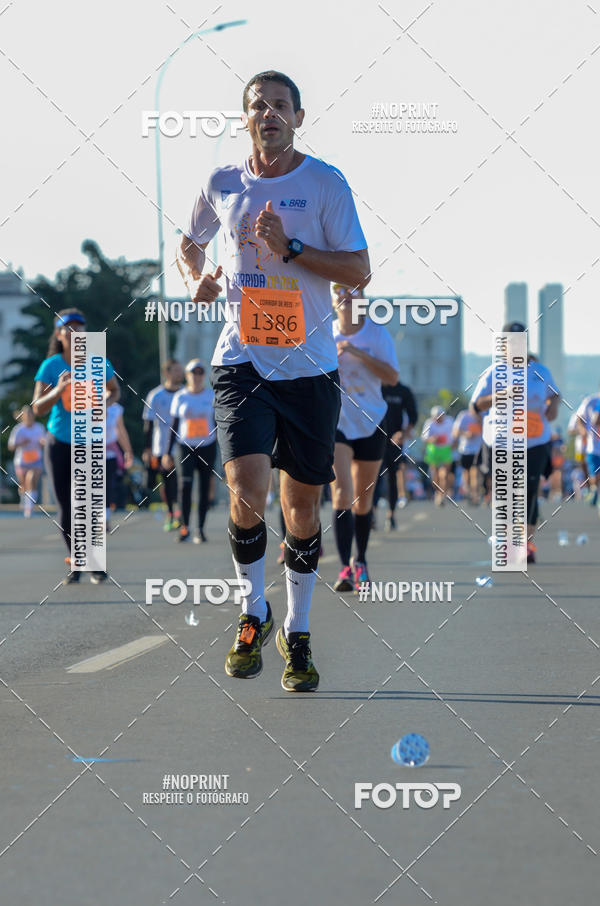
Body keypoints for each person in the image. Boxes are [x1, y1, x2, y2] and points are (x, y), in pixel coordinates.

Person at [177, 70, 369, 691]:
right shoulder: (222, 183)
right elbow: (189, 246)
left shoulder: (325, 183)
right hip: (242, 362)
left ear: (300, 116)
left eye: (281, 106)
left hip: (310, 367)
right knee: (244, 488)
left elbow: (358, 270)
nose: (270, 115)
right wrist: (195, 282)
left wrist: (289, 250)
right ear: (245, 120)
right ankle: (252, 612)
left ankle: (299, 630)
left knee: (303, 508)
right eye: (259, 107)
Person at [32, 309, 119, 583]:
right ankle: (76, 560)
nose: (75, 332)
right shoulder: (51, 366)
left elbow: (114, 390)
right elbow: (37, 408)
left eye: (79, 327)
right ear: (59, 335)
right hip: (59, 442)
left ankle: (94, 562)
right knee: (67, 508)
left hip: (90, 442)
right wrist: (58, 391)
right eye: (68, 328)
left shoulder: (98, 361)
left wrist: (103, 403)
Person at [470, 321, 560, 564]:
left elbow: (555, 394)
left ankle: (524, 544)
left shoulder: (540, 371)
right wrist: (502, 395)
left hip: (535, 441)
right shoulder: (493, 372)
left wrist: (552, 407)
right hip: (501, 442)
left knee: (529, 490)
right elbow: (475, 406)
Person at [330, 284, 398, 592]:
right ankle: (344, 567)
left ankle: (362, 561)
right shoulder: (324, 333)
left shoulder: (376, 334)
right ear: (331, 300)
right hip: (338, 422)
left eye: (352, 292)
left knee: (363, 499)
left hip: (371, 420)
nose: (345, 297)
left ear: (362, 299)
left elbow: (392, 376)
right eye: (339, 292)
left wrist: (356, 352)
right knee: (342, 494)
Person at [162, 359, 217, 543]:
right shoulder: (181, 397)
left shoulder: (211, 396)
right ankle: (185, 527)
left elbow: (218, 423)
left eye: (201, 373)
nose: (197, 376)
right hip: (185, 446)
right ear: (187, 376)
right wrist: (167, 452)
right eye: (194, 373)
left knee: (203, 488)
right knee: (185, 485)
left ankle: (200, 529)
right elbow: (174, 425)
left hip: (207, 445)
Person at [142, 359, 184, 530]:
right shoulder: (156, 395)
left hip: (183, 444)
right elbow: (148, 422)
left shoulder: (185, 393)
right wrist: (147, 448)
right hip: (161, 446)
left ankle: (180, 512)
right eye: (176, 371)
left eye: (181, 371)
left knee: (180, 482)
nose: (179, 374)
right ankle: (170, 512)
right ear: (167, 373)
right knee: (166, 481)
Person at [372, 379, 418, 528]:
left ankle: (391, 514)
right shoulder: (374, 385)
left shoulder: (403, 391)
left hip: (394, 442)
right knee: (373, 478)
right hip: (373, 438)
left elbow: (413, 416)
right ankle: (371, 513)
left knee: (392, 478)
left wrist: (404, 433)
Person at [8, 405, 46, 517]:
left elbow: (44, 441)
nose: (29, 416)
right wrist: (21, 443)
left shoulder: (39, 427)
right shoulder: (18, 429)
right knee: (24, 485)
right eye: (27, 415)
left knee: (32, 480)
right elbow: (11, 446)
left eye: (31, 414)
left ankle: (29, 508)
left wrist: (43, 442)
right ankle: (24, 499)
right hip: (22, 461)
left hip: (36, 459)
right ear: (23, 416)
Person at [105, 401, 134, 531]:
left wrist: (128, 451)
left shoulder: (115, 409)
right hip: (89, 453)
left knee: (107, 486)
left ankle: (104, 518)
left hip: (109, 453)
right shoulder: (85, 404)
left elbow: (120, 430)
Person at [421, 406, 454, 505]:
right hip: (433, 450)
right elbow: (424, 438)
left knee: (444, 474)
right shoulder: (429, 423)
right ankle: (437, 492)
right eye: (436, 416)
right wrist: (432, 439)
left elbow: (454, 434)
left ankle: (441, 495)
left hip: (445, 449)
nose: (438, 418)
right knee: (435, 475)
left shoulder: (450, 421)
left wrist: (455, 443)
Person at [452, 408, 483, 504]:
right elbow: (455, 432)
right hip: (465, 450)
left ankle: (475, 494)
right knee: (467, 473)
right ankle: (468, 491)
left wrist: (480, 421)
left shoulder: (484, 414)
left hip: (479, 450)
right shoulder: (464, 415)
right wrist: (466, 434)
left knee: (476, 472)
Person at [575, 390, 600, 506]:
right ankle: (594, 490)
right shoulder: (591, 401)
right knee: (595, 475)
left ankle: (595, 492)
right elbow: (580, 417)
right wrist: (583, 431)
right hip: (593, 447)